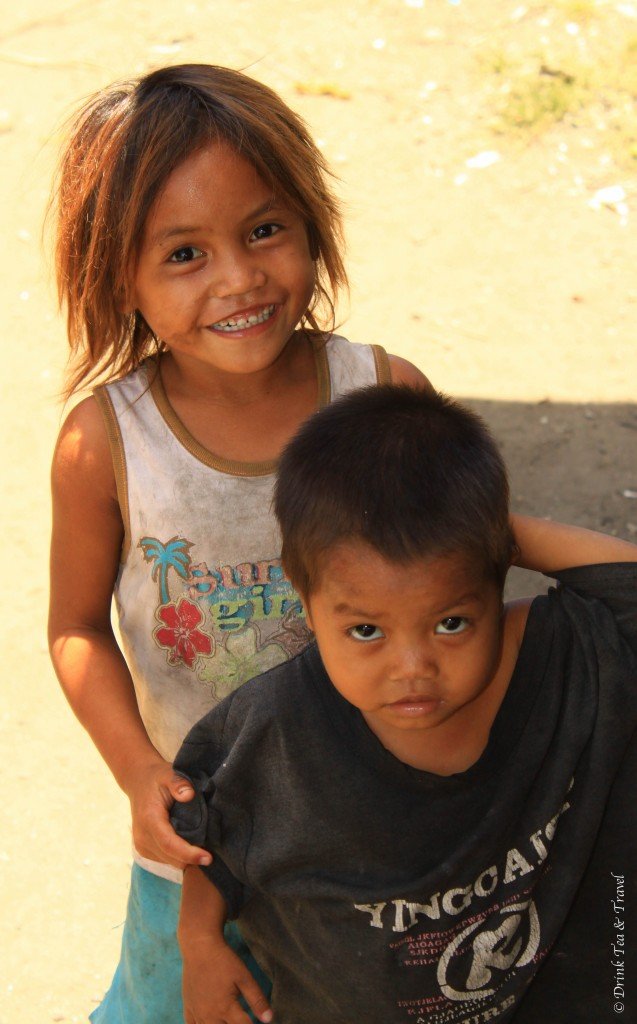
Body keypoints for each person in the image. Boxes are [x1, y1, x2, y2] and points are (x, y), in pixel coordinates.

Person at [47, 65, 428, 1024]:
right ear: (116, 277)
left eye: (264, 230)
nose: (239, 277)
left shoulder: (382, 399)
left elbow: (464, 568)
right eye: (183, 254)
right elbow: (77, 628)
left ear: (310, 224)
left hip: (373, 819)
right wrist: (141, 774)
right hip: (198, 840)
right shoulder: (108, 446)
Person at [172, 384, 637, 1024]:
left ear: (498, 573)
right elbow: (209, 843)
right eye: (367, 631)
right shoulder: (271, 733)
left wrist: (481, 535)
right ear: (306, 603)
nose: (413, 669)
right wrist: (198, 945)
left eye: (450, 622)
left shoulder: (570, 661)